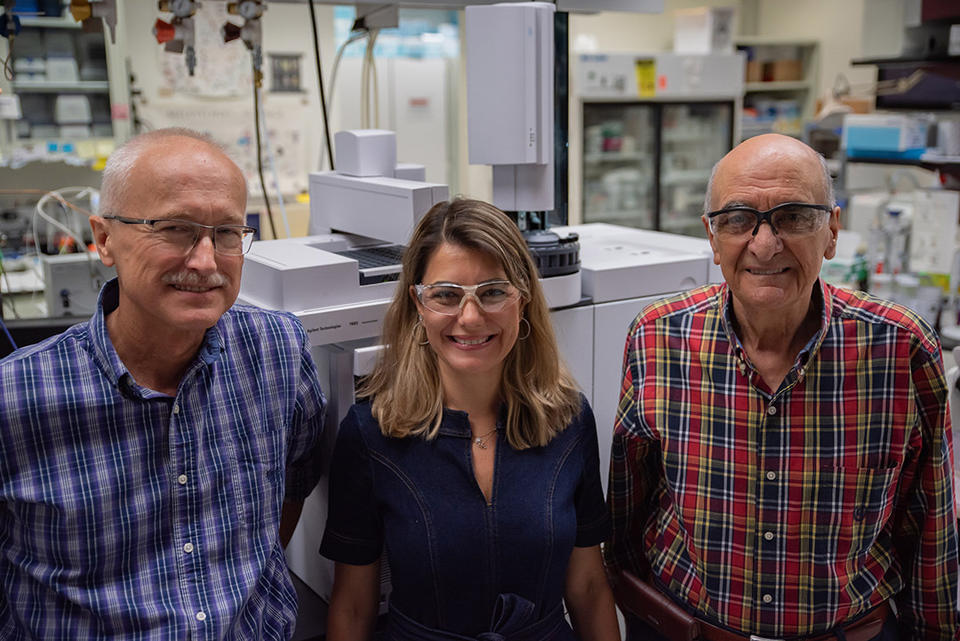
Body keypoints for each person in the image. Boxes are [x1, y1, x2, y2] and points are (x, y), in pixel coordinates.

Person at [604, 134, 959, 641]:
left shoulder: (900, 348)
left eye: (793, 217)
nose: (765, 244)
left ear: (832, 231)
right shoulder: (659, 338)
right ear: (712, 235)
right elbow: (627, 509)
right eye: (738, 219)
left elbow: (931, 527)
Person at [0, 128, 326, 640]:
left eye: (226, 234)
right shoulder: (17, 398)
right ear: (104, 239)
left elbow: (295, 482)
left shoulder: (278, 354)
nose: (204, 261)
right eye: (175, 229)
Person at [320, 198, 619, 641]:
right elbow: (353, 606)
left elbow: (590, 588)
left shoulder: (568, 421)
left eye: (494, 291)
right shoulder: (371, 433)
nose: (471, 317)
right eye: (445, 295)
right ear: (418, 305)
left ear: (523, 300)